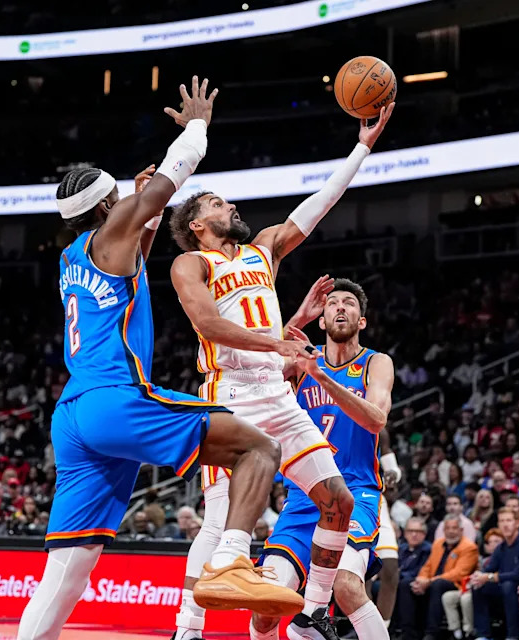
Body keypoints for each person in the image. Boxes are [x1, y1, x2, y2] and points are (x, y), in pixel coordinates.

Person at [17, 77, 303, 640]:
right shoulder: (114, 228)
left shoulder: (77, 253)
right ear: (106, 203)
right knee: (260, 449)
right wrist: (196, 126)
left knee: (69, 569)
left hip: (73, 416)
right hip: (113, 398)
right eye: (119, 195)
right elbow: (177, 169)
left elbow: (131, 254)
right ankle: (231, 564)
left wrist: (145, 219)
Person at [169, 103, 394, 640]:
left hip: (277, 392)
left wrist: (362, 146)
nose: (233, 205)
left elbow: (318, 206)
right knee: (220, 518)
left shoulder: (262, 251)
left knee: (337, 502)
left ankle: (314, 609)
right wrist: (278, 341)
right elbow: (209, 324)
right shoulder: (192, 263)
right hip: (230, 396)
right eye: (220, 202)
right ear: (199, 222)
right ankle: (187, 629)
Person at [248, 278, 396, 640]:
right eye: (333, 303)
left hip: (356, 491)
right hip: (303, 496)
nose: (340, 307)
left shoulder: (376, 363)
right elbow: (254, 367)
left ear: (362, 320)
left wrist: (324, 379)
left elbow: (377, 419)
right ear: (322, 319)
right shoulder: (301, 363)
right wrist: (297, 317)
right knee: (267, 605)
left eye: (349, 303)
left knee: (345, 585)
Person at [399, 516, 477, 640]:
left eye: (454, 528)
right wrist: (420, 580)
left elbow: (459, 573)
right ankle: (408, 632)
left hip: (457, 585)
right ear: (443, 530)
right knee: (405, 584)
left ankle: (432, 632)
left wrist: (429, 581)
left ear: (461, 530)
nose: (451, 531)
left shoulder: (469, 547)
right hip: (434, 581)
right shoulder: (438, 544)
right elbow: (427, 567)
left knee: (438, 584)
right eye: (447, 528)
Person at [468, 507, 519, 640]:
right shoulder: (501, 547)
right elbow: (490, 569)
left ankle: (513, 635)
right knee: (478, 586)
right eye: (502, 521)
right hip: (504, 586)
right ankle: (483, 635)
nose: (505, 524)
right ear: (498, 524)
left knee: (509, 585)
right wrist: (479, 576)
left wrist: (490, 577)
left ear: (517, 523)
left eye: (509, 520)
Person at [373, 427, 402, 629]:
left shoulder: (379, 430)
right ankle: (364, 629)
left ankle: (383, 629)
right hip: (348, 499)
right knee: (360, 571)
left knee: (391, 570)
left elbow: (392, 468)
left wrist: (393, 474)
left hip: (375, 500)